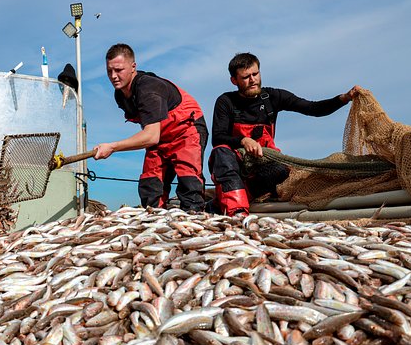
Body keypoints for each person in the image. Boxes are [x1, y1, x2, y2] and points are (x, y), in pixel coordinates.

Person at [209, 52, 360, 216]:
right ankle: (237, 213)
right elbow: (218, 138)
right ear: (234, 80)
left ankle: (224, 201)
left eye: (255, 74)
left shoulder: (273, 97)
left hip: (263, 163)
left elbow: (314, 109)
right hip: (235, 162)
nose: (252, 80)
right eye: (245, 77)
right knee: (220, 152)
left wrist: (344, 98)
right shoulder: (226, 102)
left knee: (281, 171)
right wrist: (244, 140)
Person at [94, 43, 209, 212]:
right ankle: (156, 222)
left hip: (186, 131)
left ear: (133, 67)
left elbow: (150, 136)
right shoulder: (120, 95)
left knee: (189, 184)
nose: (113, 76)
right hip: (161, 137)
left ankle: (194, 220)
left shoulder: (148, 88)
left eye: (119, 70)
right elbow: (152, 131)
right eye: (109, 71)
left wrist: (112, 147)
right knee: (150, 185)